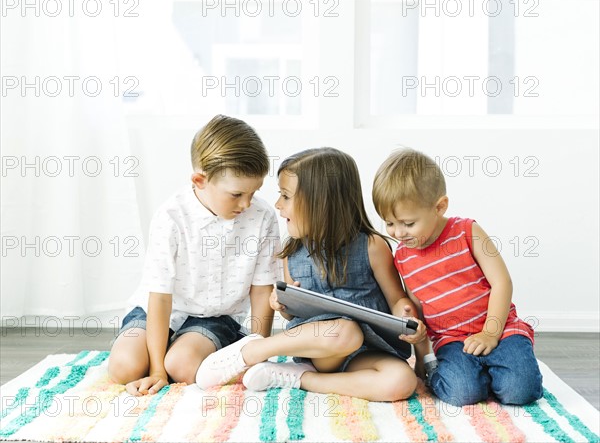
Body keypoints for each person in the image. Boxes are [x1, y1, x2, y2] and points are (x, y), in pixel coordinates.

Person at [195, 148, 427, 402]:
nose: (278, 205)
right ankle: (252, 350)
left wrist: (405, 311)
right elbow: (291, 314)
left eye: (285, 196)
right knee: (346, 332)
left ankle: (300, 379)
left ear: (320, 203)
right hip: (321, 347)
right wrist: (280, 304)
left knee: (402, 381)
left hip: (366, 353)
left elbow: (396, 299)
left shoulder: (372, 246)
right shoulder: (291, 253)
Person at [108, 114, 281, 396]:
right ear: (200, 180)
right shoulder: (171, 217)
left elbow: (261, 291)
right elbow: (160, 296)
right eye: (236, 194)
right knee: (124, 368)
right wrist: (155, 371)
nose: (247, 203)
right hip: (158, 311)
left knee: (182, 367)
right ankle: (161, 349)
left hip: (215, 316)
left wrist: (257, 349)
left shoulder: (261, 217)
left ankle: (183, 348)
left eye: (254, 192)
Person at [372, 148, 543, 407]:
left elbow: (502, 282)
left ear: (439, 207)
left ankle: (500, 368)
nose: (398, 232)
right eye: (390, 223)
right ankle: (479, 375)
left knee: (521, 391)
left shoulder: (467, 231)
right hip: (452, 340)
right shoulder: (403, 257)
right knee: (462, 394)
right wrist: (421, 358)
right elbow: (419, 310)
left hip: (501, 329)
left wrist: (490, 333)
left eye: (408, 223)